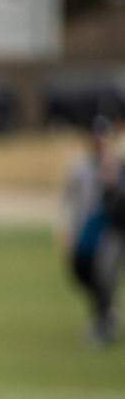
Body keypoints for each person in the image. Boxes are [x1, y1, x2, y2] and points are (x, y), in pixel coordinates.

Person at [61, 116, 124, 345]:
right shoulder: (80, 168)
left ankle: (104, 324)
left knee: (105, 276)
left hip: (112, 232)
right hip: (88, 231)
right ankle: (106, 315)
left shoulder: (116, 166)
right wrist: (66, 228)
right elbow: (67, 200)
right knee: (83, 273)